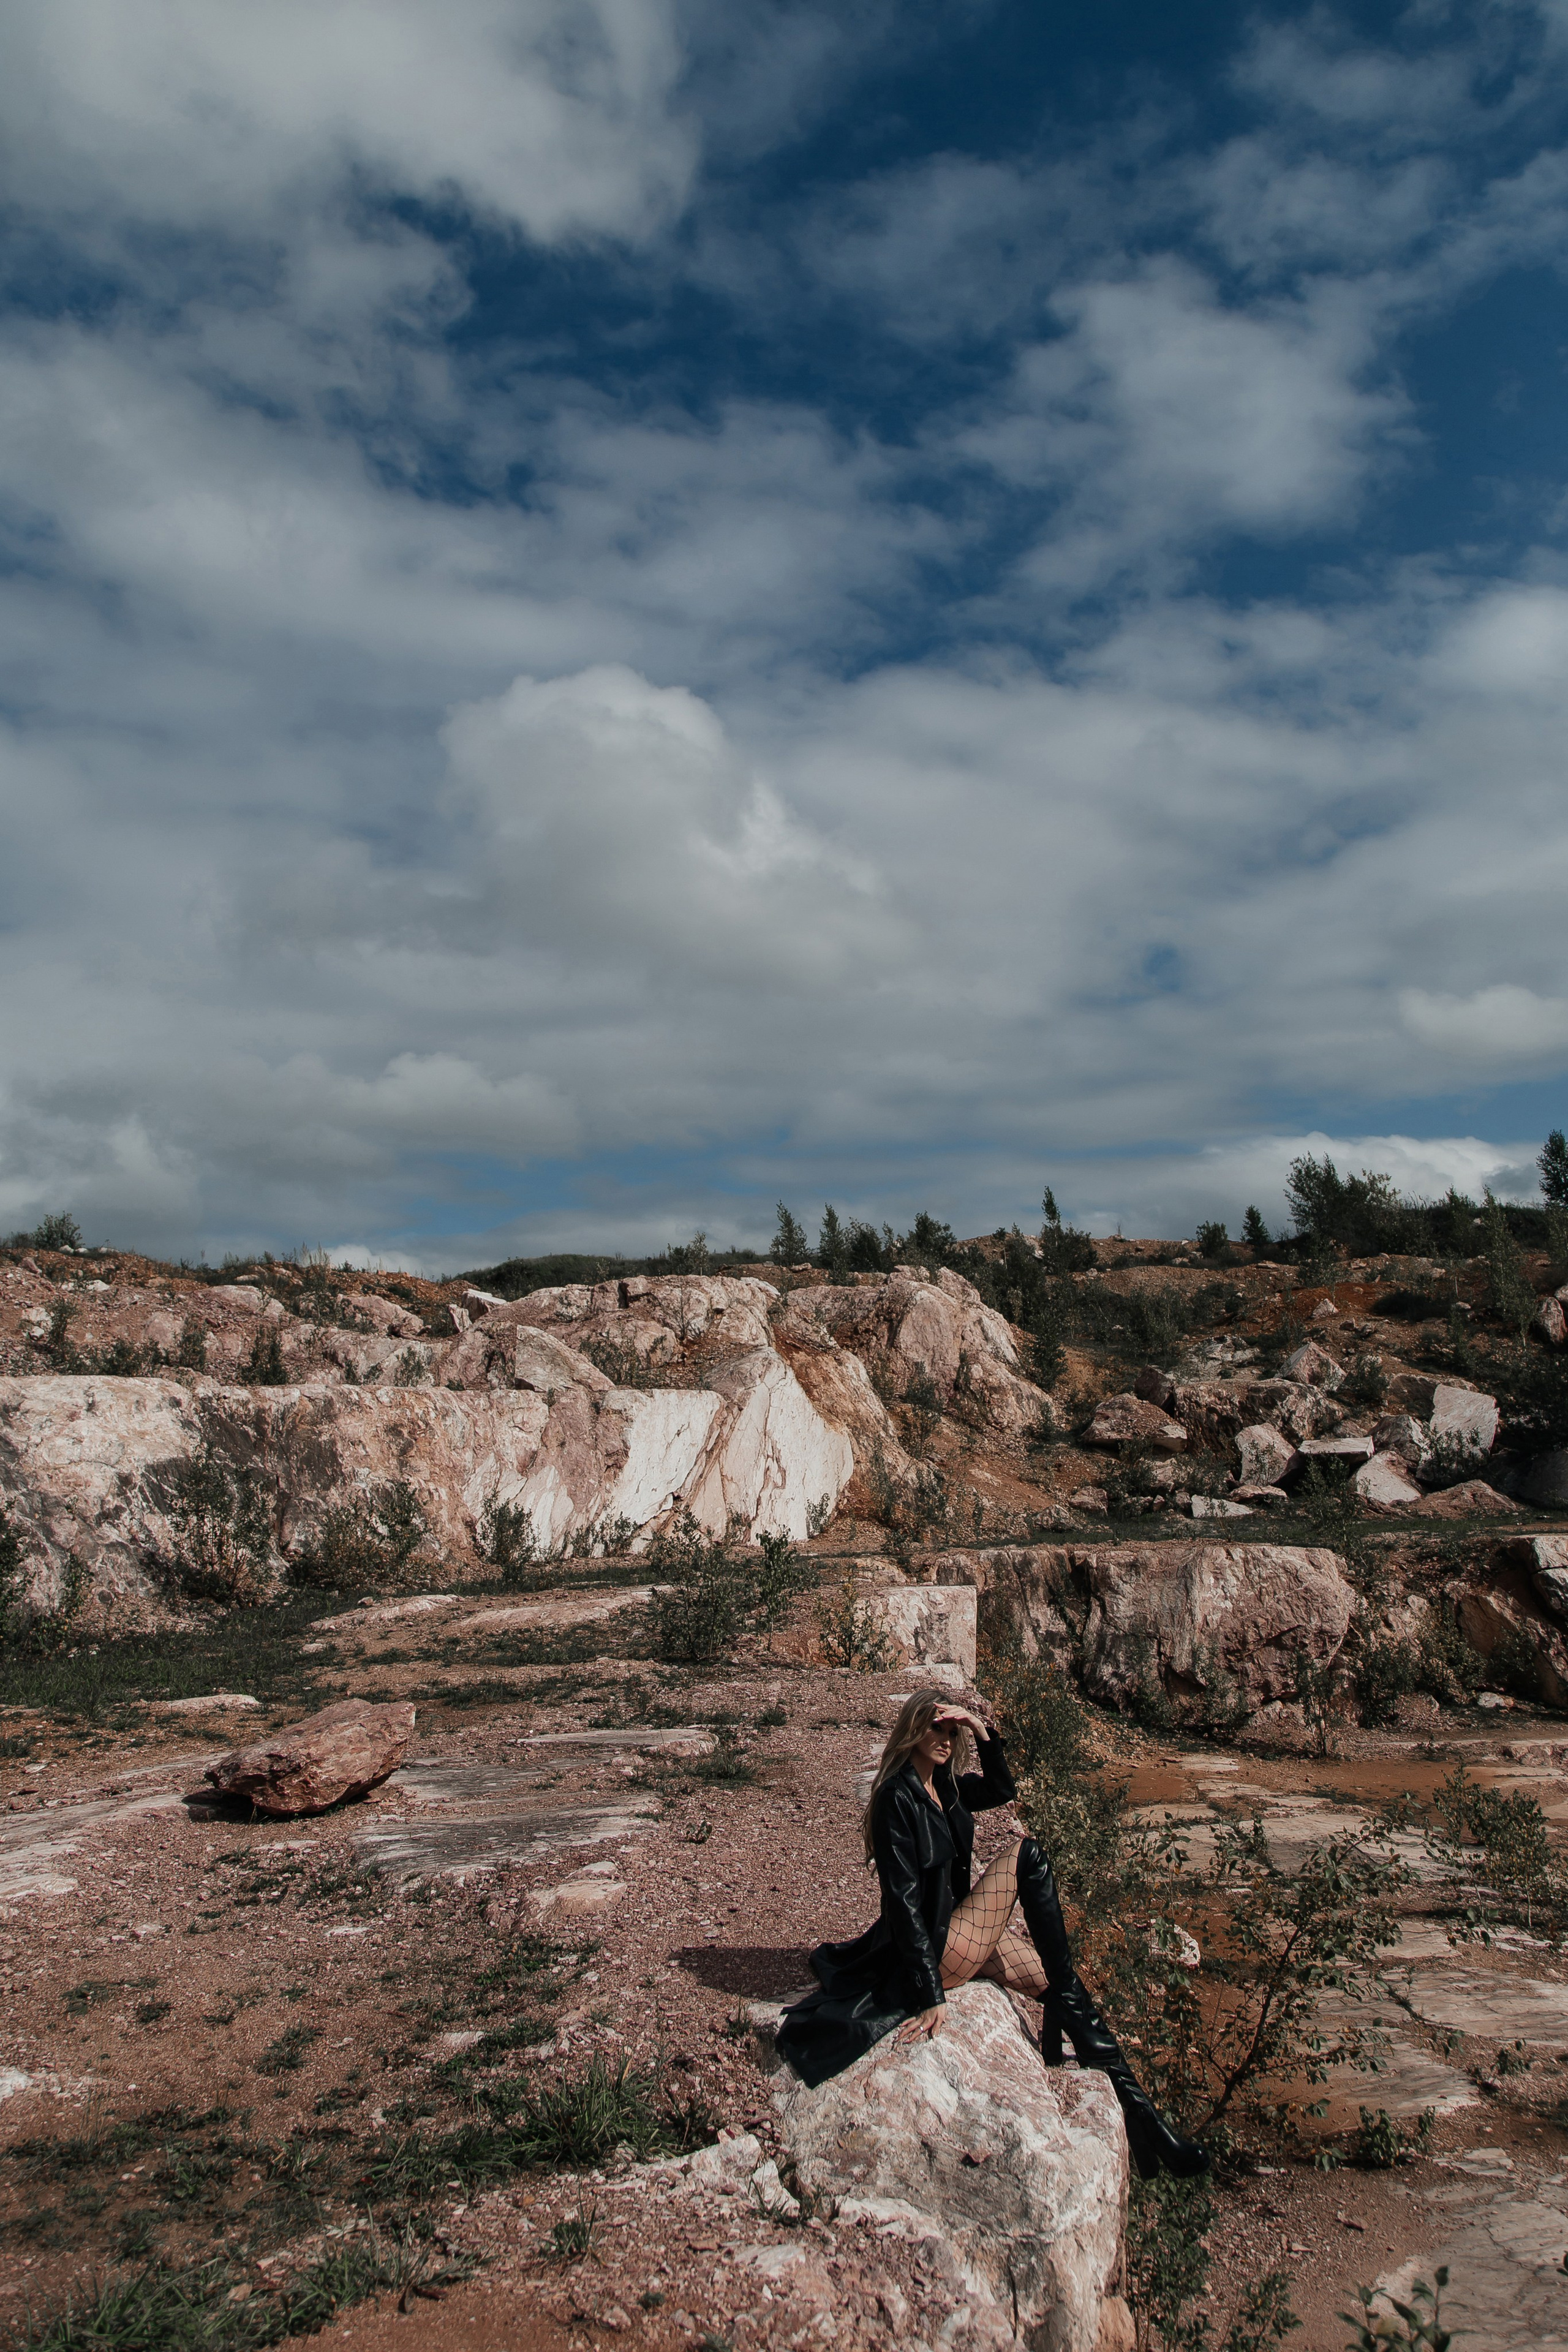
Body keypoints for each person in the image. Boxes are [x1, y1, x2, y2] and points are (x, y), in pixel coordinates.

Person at [775, 1688, 1208, 2180]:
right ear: (913, 1730)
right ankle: (1142, 2125)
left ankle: (1145, 2124)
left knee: (1059, 1984)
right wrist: (930, 1994)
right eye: (936, 1728)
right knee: (1028, 1857)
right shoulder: (897, 1798)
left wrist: (983, 1732)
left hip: (963, 1934)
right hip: (935, 1951)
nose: (945, 1739)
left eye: (951, 1730)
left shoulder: (947, 1786)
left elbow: (1003, 1789)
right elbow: (904, 1905)